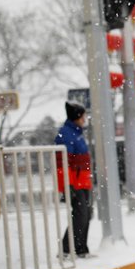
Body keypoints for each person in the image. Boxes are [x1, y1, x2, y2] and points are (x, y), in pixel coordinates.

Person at [55, 101, 93, 258]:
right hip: (74, 183)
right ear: (77, 117)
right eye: (83, 115)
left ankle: (81, 248)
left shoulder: (77, 133)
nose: (85, 118)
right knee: (80, 215)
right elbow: (62, 163)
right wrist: (67, 185)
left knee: (87, 214)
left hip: (83, 182)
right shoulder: (66, 134)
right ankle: (66, 249)